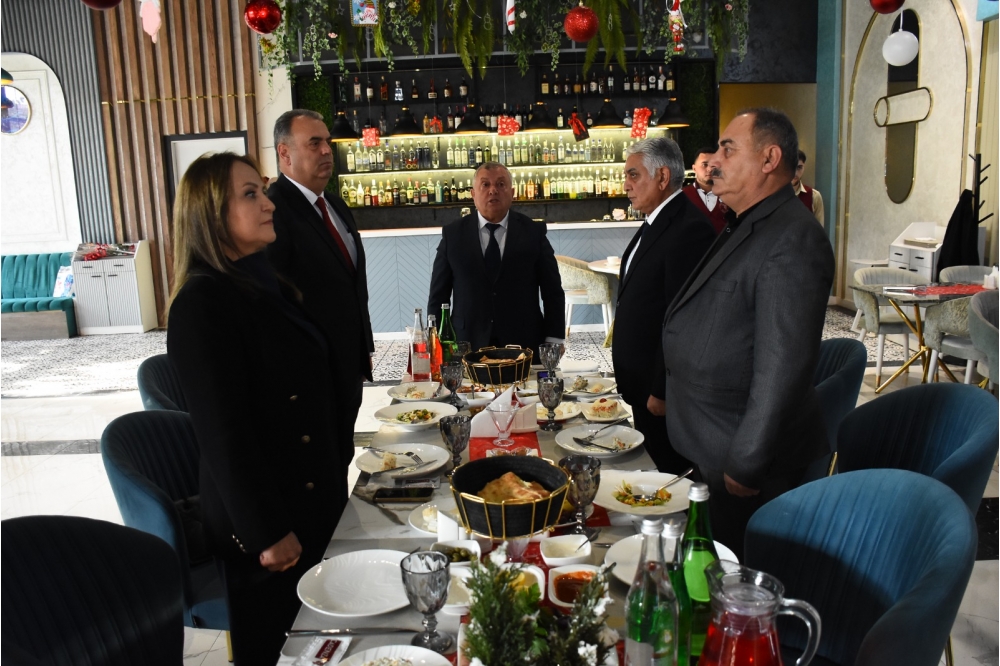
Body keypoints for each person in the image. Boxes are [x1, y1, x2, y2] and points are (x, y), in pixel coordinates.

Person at [167, 153, 346, 665]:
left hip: (308, 499)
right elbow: (223, 436)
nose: (269, 204)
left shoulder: (263, 282)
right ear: (211, 213)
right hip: (270, 524)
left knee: (324, 642)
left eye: (263, 191)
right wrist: (266, 532)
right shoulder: (201, 304)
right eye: (251, 194)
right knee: (280, 649)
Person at [661, 108, 835, 557]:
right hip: (710, 439)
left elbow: (783, 365)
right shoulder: (749, 220)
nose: (714, 161)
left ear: (769, 159)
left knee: (735, 575)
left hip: (743, 460)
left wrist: (747, 459)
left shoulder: (793, 238)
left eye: (728, 149)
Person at [266, 109, 374, 450]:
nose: (327, 150)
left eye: (327, 141)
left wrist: (362, 349)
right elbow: (275, 302)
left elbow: (351, 286)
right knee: (320, 460)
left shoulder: (336, 206)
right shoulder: (274, 212)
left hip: (348, 364)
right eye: (314, 143)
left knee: (341, 452)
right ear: (285, 153)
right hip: (309, 372)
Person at [615, 137, 715, 473]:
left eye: (633, 175)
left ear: (661, 177)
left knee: (670, 474)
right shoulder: (656, 221)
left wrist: (663, 390)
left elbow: (685, 321)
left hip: (660, 391)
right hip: (641, 382)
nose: (626, 185)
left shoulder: (689, 229)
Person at [427, 162, 564, 353]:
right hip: (466, 341)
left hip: (523, 341)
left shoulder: (533, 232)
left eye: (501, 184)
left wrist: (554, 338)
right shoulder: (453, 235)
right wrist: (434, 339)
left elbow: (552, 291)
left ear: (512, 192)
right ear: (473, 194)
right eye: (485, 184)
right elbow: (438, 295)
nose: (493, 190)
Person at [682, 146, 729, 234]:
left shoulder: (729, 194)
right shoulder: (682, 196)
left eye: (713, 165)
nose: (709, 169)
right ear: (694, 168)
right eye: (705, 164)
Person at [792, 149, 825, 227]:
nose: (795, 173)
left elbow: (818, 230)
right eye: (791, 167)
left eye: (799, 167)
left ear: (804, 167)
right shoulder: (773, 195)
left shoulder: (814, 196)